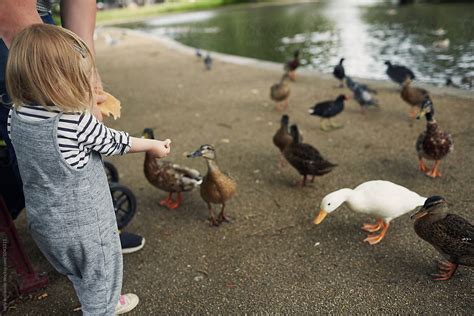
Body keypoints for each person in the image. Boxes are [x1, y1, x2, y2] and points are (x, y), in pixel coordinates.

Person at [7, 24, 172, 315]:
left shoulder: (16, 115)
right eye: (80, 80)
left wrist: (80, 103)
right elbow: (114, 142)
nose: (86, 86)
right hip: (86, 229)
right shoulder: (74, 123)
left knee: (81, 273)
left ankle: (96, 301)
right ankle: (101, 308)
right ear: (57, 86)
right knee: (102, 274)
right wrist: (153, 146)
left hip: (45, 224)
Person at [0, 0, 145, 254]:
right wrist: (67, 89)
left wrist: (86, 69)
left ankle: (82, 230)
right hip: (11, 12)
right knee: (34, 126)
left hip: (38, 12)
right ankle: (76, 245)